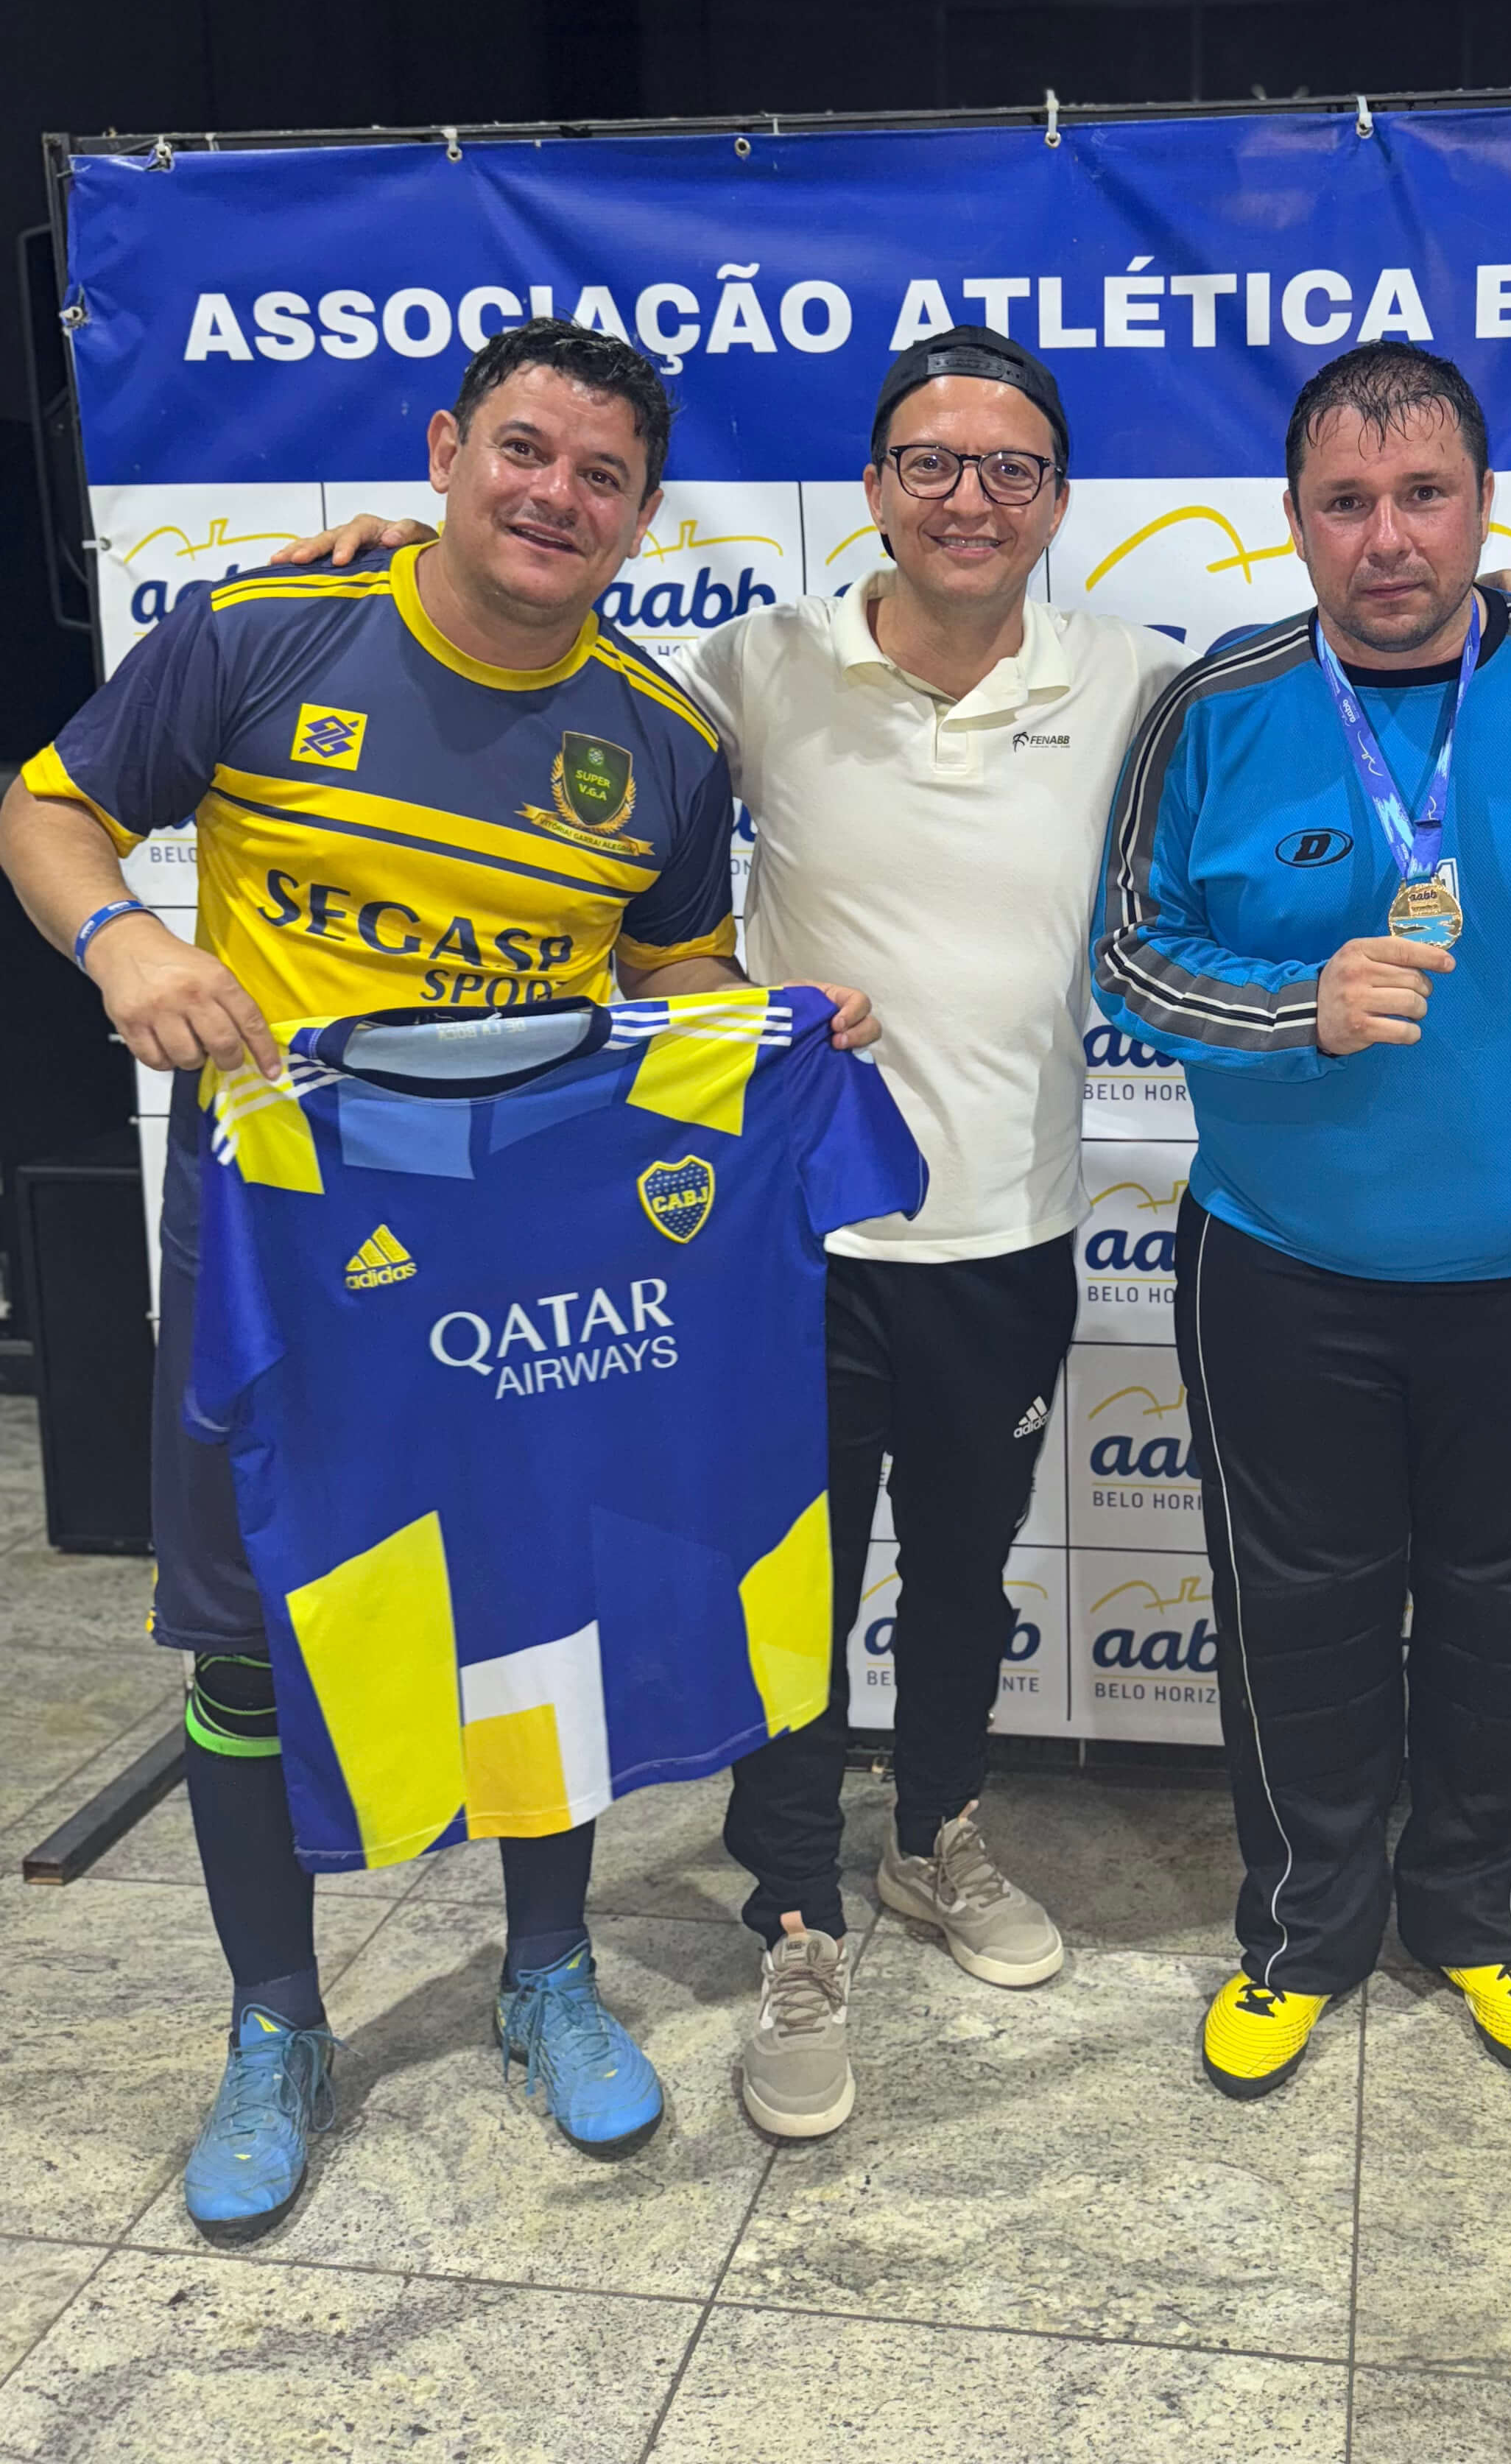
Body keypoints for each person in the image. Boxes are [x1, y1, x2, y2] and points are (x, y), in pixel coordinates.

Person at [0, 319, 873, 2241]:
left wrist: (777, 1026)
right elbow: (47, 809)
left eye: (602, 476)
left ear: (642, 516)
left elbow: (672, 979)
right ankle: (273, 2026)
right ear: (445, 449)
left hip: (526, 1262)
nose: (557, 496)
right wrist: (126, 944)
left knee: (537, 1608)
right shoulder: (261, 636)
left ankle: (545, 1971)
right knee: (253, 1643)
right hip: (285, 1249)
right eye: (524, 451)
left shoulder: (660, 744)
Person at [286, 326, 1186, 2141]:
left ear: (1056, 503)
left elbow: (1335, 688)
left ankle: (936, 1834)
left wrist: (1508, 608)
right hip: (782, 1240)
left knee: (966, 1569)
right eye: (931, 463)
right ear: (873, 487)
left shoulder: (1140, 681)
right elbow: (542, 679)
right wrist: (383, 567)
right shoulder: (748, 667)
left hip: (1010, 1227)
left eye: (1010, 469)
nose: (969, 499)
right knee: (792, 1585)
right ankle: (793, 1907)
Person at [1091, 340, 1511, 2098]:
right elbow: (1130, 954)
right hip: (1279, 1260)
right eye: (1348, 502)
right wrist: (1292, 1007)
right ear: (1294, 520)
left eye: (1425, 495)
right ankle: (1303, 1931)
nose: (1389, 537)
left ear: (1483, 505)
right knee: (1294, 1614)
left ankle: (1485, 1917)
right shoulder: (1214, 706)